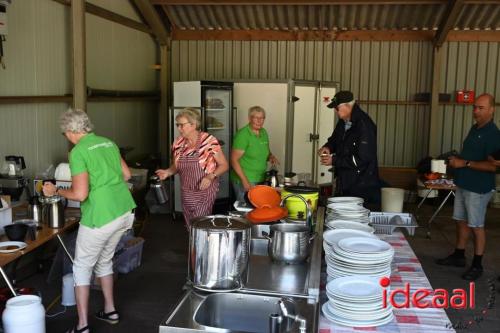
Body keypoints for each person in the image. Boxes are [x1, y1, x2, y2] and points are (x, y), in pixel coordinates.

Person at [43, 109, 136, 333]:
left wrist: (56, 190)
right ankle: (110, 310)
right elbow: (127, 175)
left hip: (101, 217)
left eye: (64, 133)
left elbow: (80, 195)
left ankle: (82, 326)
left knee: (82, 268)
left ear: (71, 131)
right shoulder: (108, 143)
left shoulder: (78, 152)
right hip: (123, 211)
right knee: (104, 261)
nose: (65, 137)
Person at [436, 93, 500, 281]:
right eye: (474, 107)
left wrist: (464, 163)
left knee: (477, 226)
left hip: (479, 188)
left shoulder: (493, 135)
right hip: (464, 184)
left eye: (480, 108)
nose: (476, 111)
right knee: (461, 221)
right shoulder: (475, 128)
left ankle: (478, 264)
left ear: (492, 110)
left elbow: (493, 166)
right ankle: (459, 254)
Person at [155, 108, 228, 227]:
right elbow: (176, 166)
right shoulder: (177, 143)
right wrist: (168, 172)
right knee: (190, 226)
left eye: (182, 125)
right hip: (187, 190)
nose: (179, 128)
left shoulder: (208, 141)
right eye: (177, 125)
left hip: (205, 189)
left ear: (193, 125)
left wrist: (210, 176)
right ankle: (195, 245)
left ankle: (200, 244)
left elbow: (224, 165)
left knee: (199, 224)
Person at [318, 90, 380, 204]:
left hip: (361, 185)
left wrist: (334, 160)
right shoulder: (343, 121)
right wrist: (328, 147)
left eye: (337, 108)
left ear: (347, 106)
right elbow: (335, 139)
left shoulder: (364, 126)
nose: (335, 111)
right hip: (345, 181)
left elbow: (362, 158)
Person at [230, 106, 279, 202]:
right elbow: (233, 160)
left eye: (262, 118)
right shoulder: (243, 135)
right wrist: (245, 181)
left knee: (257, 208)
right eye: (256, 118)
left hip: (260, 177)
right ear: (249, 118)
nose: (259, 121)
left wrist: (271, 156)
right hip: (246, 179)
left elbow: (266, 151)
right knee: (246, 210)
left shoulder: (263, 132)